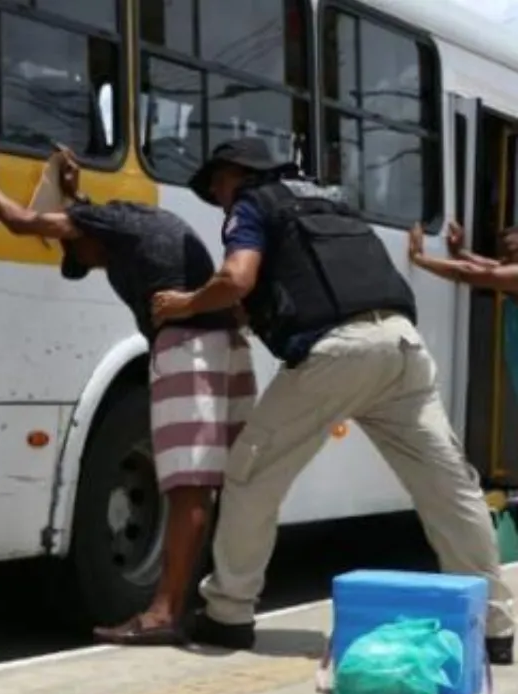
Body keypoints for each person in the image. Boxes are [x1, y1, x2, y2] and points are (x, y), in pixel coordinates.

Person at [151, 137, 515, 665]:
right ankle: (494, 628)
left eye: (217, 186)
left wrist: (184, 303)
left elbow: (236, 278)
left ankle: (228, 613)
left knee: (251, 476)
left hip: (337, 354)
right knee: (450, 490)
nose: (218, 198)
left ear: (235, 174)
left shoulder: (252, 204)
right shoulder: (330, 201)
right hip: (402, 347)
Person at [0, 130, 255, 644]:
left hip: (189, 348)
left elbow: (20, 221)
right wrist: (73, 192)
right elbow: (90, 221)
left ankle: (163, 614)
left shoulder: (104, 228)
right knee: (221, 486)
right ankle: (221, 606)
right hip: (226, 347)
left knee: (187, 486)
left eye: (81, 255)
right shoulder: (128, 222)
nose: (93, 263)